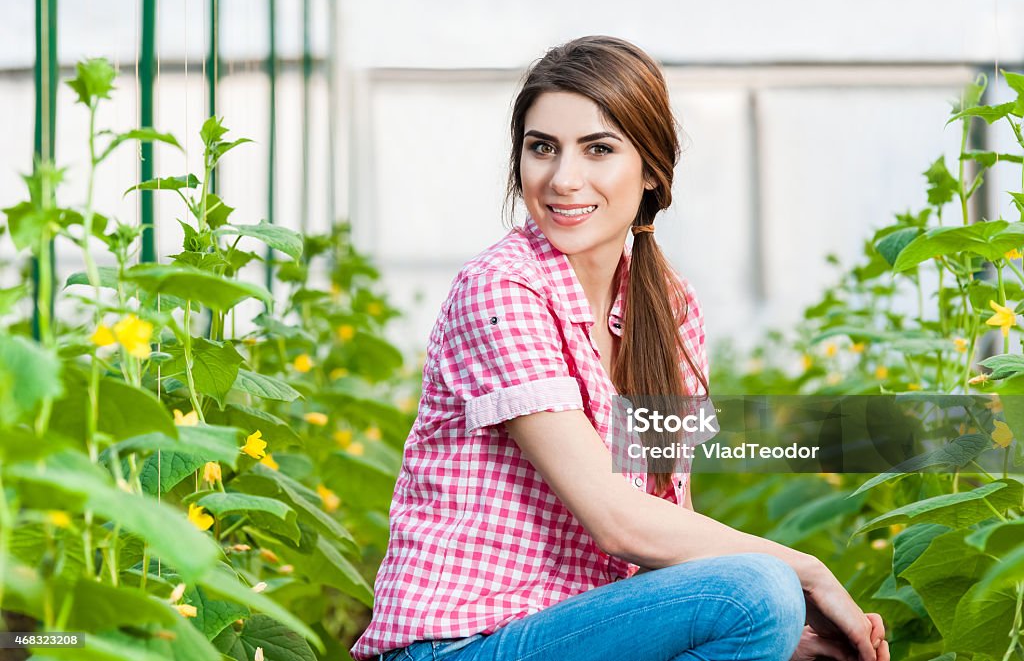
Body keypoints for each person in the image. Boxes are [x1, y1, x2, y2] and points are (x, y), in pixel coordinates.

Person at [350, 35, 890, 661]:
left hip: (572, 631)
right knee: (762, 587)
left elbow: (669, 523)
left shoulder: (669, 307)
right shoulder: (500, 290)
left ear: (652, 169)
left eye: (598, 149)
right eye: (541, 148)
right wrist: (809, 572)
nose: (563, 179)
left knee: (763, 604)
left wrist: (782, 642)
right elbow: (619, 521)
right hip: (457, 645)